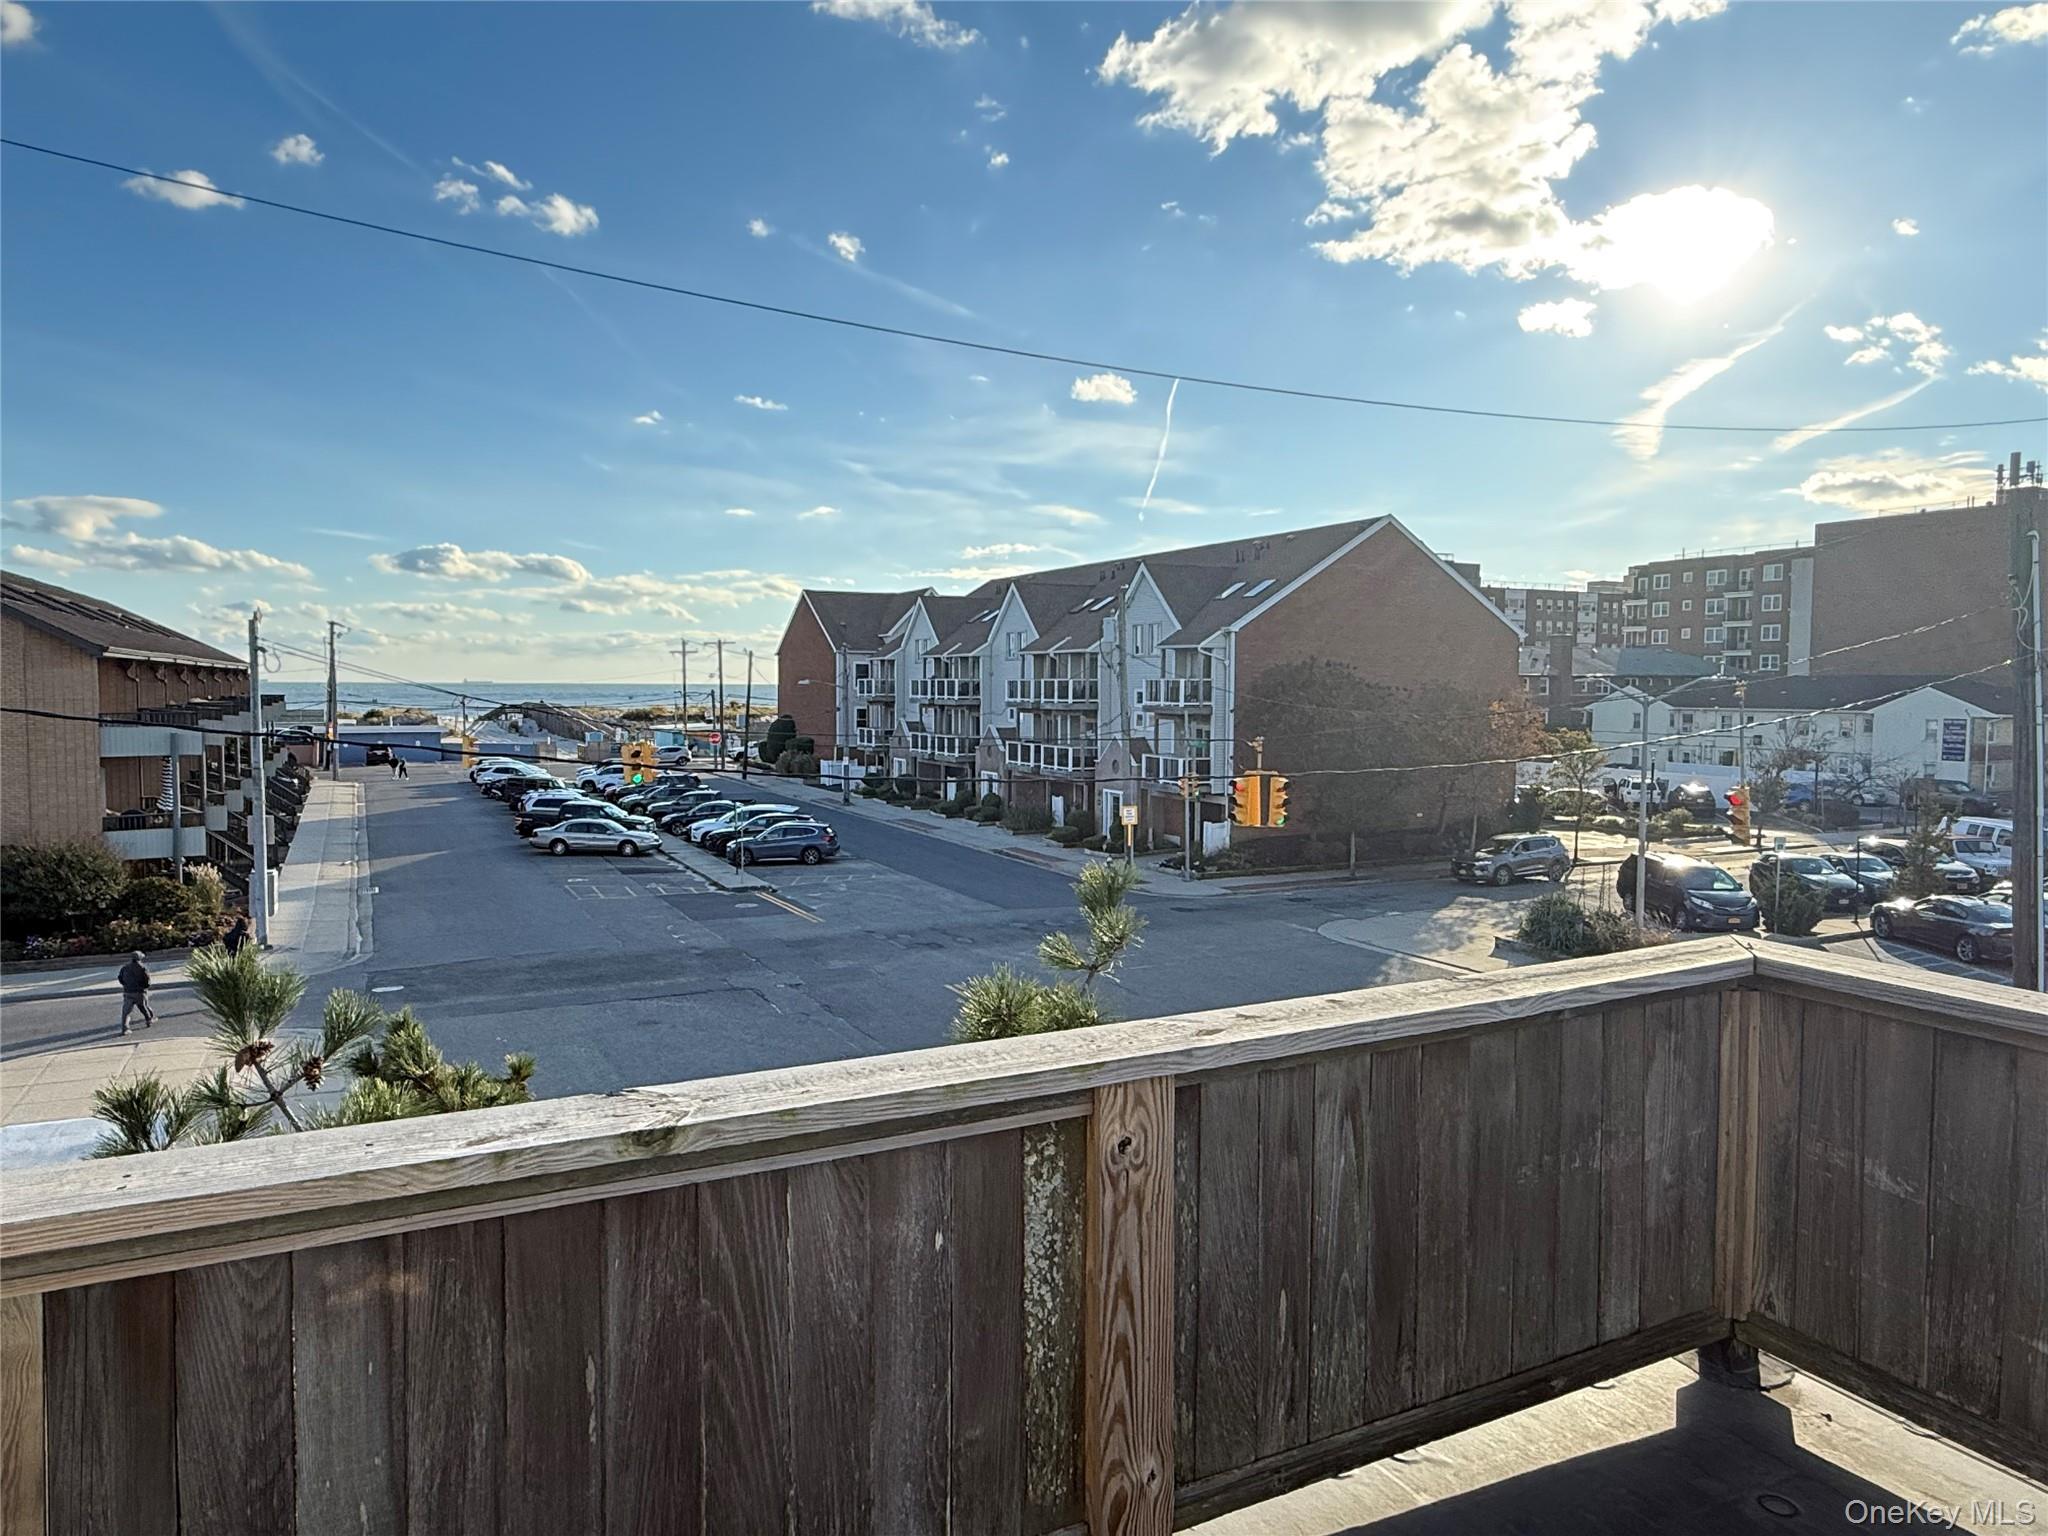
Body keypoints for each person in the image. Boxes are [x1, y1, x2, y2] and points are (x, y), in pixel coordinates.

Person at [116, 951, 155, 1036]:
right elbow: (147, 981)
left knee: (126, 1012)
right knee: (143, 1007)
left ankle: (125, 1029)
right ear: (140, 958)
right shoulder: (143, 968)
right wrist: (145, 988)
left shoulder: (125, 967)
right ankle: (149, 1020)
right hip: (139, 992)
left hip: (128, 992)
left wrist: (126, 985)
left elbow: (120, 978)